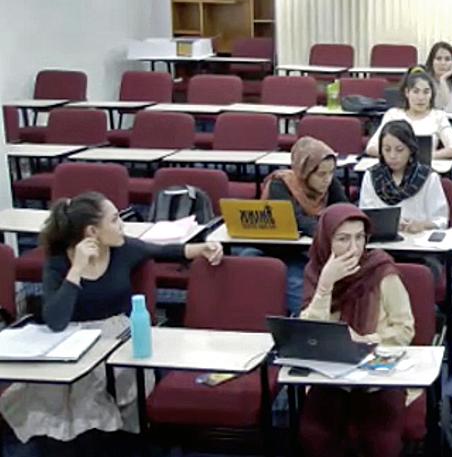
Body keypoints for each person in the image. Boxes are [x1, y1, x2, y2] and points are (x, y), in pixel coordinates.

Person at [0, 192, 222, 453]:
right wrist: (77, 270)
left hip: (118, 340)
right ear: (92, 231)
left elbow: (165, 251)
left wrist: (204, 248)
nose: (122, 226)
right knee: (51, 396)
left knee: (97, 397)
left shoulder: (123, 249)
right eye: (115, 220)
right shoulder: (59, 261)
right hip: (72, 341)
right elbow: (56, 320)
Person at [298, 204, 414, 457]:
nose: (354, 248)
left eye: (359, 237)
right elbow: (309, 333)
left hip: (378, 377)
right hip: (331, 376)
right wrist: (326, 285)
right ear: (326, 240)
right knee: (314, 435)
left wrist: (365, 340)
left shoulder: (381, 269)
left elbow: (404, 328)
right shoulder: (316, 273)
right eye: (343, 239)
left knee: (381, 441)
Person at [257, 136, 348, 314]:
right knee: (298, 285)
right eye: (321, 174)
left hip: (317, 252)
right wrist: (329, 229)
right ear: (305, 172)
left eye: (331, 173)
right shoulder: (280, 185)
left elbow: (345, 213)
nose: (327, 179)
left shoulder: (330, 184)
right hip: (285, 252)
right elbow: (296, 220)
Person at [359, 120, 450, 290]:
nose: (392, 156)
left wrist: (423, 225)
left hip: (420, 252)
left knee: (422, 273)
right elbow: (364, 217)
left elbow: (441, 220)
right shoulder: (371, 177)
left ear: (411, 150)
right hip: (382, 249)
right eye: (387, 150)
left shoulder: (428, 178)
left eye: (399, 150)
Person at [365, 66, 452, 160]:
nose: (421, 97)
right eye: (416, 92)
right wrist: (397, 157)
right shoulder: (393, 115)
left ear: (431, 94)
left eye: (426, 92)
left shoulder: (438, 116)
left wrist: (426, 156)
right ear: (407, 92)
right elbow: (371, 148)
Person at [425, 41, 452, 113]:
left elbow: (450, 109)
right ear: (431, 62)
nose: (443, 63)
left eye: (447, 59)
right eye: (438, 58)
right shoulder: (423, 80)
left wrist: (443, 80)